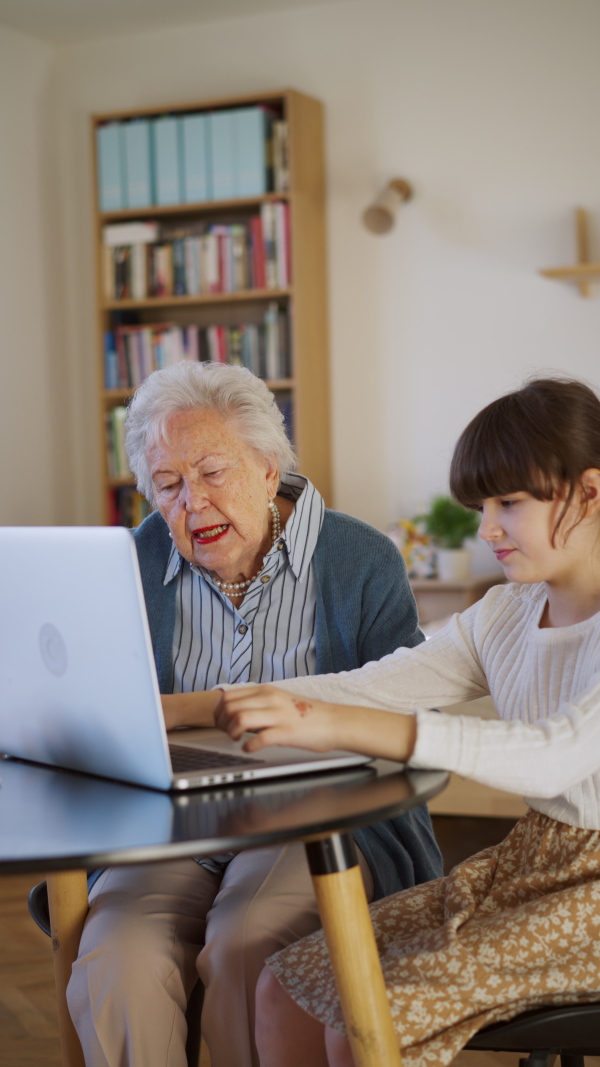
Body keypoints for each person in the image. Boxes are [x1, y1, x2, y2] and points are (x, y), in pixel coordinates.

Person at [215, 375, 600, 1067]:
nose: (487, 529)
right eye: (483, 505)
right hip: (532, 863)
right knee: (288, 985)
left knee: (369, 1013)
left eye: (509, 503)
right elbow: (373, 686)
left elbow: (552, 755)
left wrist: (334, 726)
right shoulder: (506, 613)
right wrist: (202, 705)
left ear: (591, 493)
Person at [66, 361, 442, 1067]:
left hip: (317, 814)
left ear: (269, 470)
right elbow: (103, 709)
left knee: (248, 940)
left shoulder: (359, 560)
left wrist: (187, 710)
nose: (192, 504)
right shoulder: (135, 562)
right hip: (171, 824)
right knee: (118, 951)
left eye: (212, 472)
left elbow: (403, 709)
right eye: (169, 485)